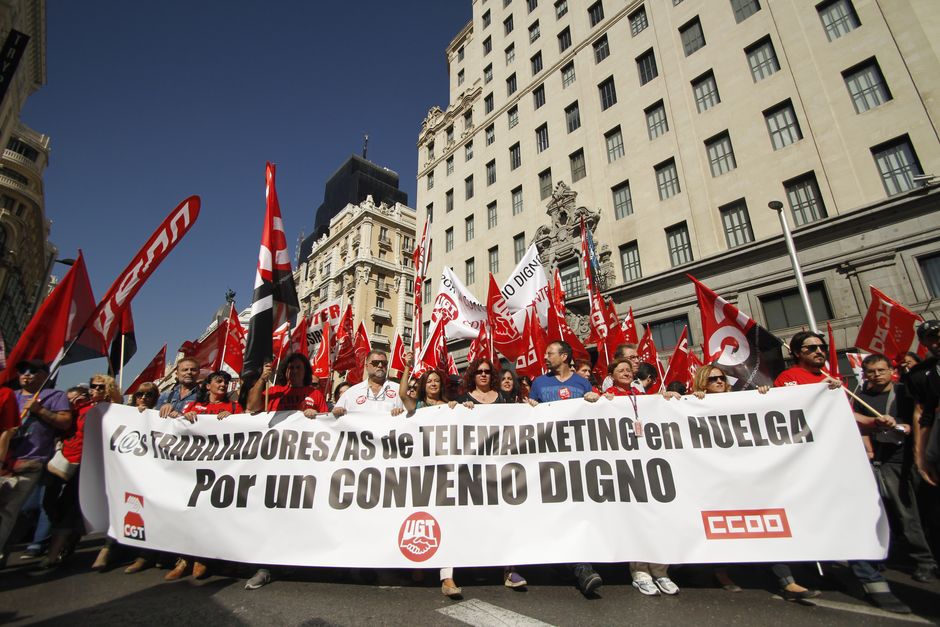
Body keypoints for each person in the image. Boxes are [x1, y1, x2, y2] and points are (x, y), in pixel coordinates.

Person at [774, 331, 911, 612]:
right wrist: (820, 393)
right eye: (810, 347)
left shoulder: (831, 381)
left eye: (821, 346)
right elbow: (789, 411)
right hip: (811, 465)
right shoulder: (791, 379)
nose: (818, 351)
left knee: (856, 515)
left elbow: (847, 417)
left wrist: (874, 423)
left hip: (844, 461)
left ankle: (871, 579)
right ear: (797, 353)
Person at [527, 341, 603, 596]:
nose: (545, 356)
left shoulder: (581, 384)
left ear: (564, 356)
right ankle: (578, 566)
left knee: (578, 510)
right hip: (549, 460)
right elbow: (528, 419)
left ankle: (581, 566)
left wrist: (594, 399)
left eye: (550, 353)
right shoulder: (539, 383)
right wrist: (529, 408)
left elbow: (595, 415)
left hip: (579, 458)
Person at [853, 353, 937, 583]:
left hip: (910, 458)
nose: (877, 375)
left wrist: (905, 426)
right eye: (871, 371)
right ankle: (917, 559)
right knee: (898, 514)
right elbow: (857, 426)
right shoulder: (860, 396)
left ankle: (928, 558)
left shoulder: (904, 392)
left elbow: (922, 418)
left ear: (891, 370)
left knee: (920, 511)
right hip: (884, 461)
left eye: (881, 370)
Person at [691, 364, 769, 593]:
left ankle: (783, 576)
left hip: (742, 470)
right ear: (702, 383)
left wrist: (763, 396)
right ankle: (721, 571)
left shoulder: (741, 401)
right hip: (713, 473)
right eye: (712, 378)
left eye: (721, 378)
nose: (719, 382)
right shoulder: (696, 402)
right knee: (719, 521)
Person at [0, 360, 72, 566]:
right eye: (22, 370)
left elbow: (65, 422)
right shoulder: (10, 397)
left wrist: (40, 410)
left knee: (10, 510)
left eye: (33, 371)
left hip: (30, 462)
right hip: (4, 460)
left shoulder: (55, 396)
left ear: (44, 375)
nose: (26, 374)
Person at [54, 375, 120, 573]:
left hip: (108, 466)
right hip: (79, 463)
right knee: (70, 505)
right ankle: (61, 546)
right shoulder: (82, 408)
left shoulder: (118, 411)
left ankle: (107, 549)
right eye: (93, 386)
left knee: (111, 507)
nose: (95, 390)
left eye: (101, 387)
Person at [246, 352, 328, 417]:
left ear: (305, 371)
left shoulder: (315, 394)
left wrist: (316, 414)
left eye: (298, 367)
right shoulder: (274, 392)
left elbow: (326, 419)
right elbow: (252, 406)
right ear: (285, 371)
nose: (294, 371)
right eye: (291, 368)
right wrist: (262, 378)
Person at [332, 350, 405, 417]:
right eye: (375, 363)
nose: (380, 365)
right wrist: (337, 411)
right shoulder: (351, 393)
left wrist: (402, 412)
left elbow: (411, 416)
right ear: (366, 366)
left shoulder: (399, 390)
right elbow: (334, 418)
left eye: (384, 363)